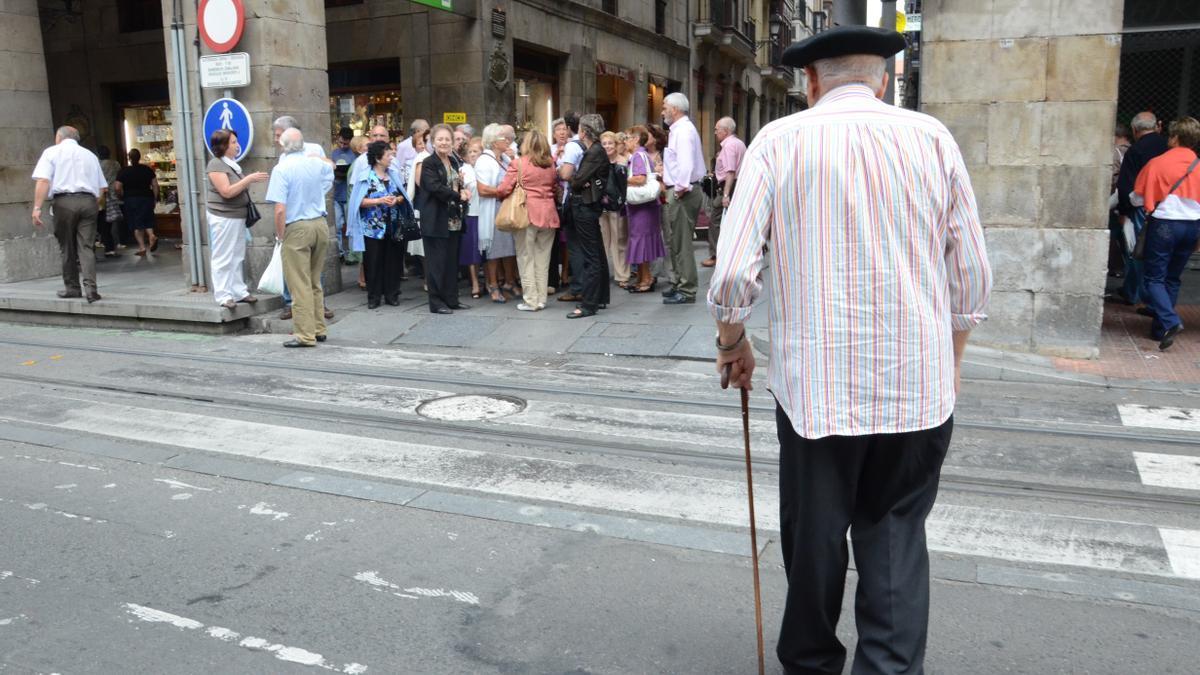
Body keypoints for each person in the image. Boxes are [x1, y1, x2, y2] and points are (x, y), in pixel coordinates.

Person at [709, 27, 992, 674]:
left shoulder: (780, 142)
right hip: (918, 394)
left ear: (811, 83)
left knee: (814, 542)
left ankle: (810, 661)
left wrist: (734, 342)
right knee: (893, 540)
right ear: (884, 79)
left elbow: (730, 273)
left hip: (817, 396)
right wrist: (949, 364)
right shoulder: (932, 139)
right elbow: (972, 275)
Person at [1132, 116, 1200, 351]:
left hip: (1164, 225)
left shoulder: (1158, 163)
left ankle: (1170, 322)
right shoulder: (1198, 165)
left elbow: (1137, 197)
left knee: (1153, 278)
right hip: (1192, 226)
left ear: (1175, 137)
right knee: (1172, 277)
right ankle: (1160, 329)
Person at [266, 128, 334, 348]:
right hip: (320, 224)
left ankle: (305, 334)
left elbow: (279, 209)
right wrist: (321, 157)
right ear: (303, 145)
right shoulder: (315, 163)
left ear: (283, 146)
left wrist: (280, 235)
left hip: (297, 226)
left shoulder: (281, 169)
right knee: (315, 280)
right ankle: (318, 328)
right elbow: (331, 167)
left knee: (299, 283)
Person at [30, 125, 107, 303]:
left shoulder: (51, 152)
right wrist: (94, 204)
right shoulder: (90, 155)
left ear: (59, 137)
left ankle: (72, 288)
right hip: (89, 201)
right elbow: (102, 187)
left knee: (67, 246)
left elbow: (43, 180)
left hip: (64, 202)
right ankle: (91, 290)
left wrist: (37, 207)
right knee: (86, 247)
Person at [496, 128, 560, 311]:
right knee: (542, 259)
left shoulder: (519, 164)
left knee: (525, 258)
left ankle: (530, 300)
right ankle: (541, 299)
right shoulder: (551, 163)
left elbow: (504, 189)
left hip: (525, 214)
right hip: (549, 214)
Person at [206, 129, 268, 309]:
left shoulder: (231, 164)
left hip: (236, 216)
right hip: (223, 216)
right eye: (233, 142)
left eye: (236, 141)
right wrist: (248, 179)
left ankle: (239, 291)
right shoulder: (216, 165)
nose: (237, 145)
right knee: (223, 256)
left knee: (236, 255)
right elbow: (227, 192)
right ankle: (224, 295)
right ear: (223, 146)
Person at [416, 124, 472, 314]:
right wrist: (458, 196)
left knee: (451, 262)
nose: (444, 142)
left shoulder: (454, 161)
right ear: (432, 142)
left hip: (453, 219)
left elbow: (455, 184)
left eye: (447, 139)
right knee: (436, 263)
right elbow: (434, 187)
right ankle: (436, 302)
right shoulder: (429, 163)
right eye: (440, 139)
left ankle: (452, 299)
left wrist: (463, 189)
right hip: (435, 219)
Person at [1116, 111, 1170, 306]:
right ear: (1157, 126)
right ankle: (1149, 293)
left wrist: (1123, 211)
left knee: (1136, 250)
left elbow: (1125, 185)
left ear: (1134, 129)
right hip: (1166, 206)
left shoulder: (1136, 150)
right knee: (1157, 253)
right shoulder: (1168, 147)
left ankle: (1135, 292)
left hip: (1141, 206)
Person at [349, 140, 410, 309]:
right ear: (377, 158)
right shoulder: (365, 177)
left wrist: (396, 200)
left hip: (393, 225)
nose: (391, 157)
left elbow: (401, 195)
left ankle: (392, 294)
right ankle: (374, 296)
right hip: (372, 228)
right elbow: (358, 201)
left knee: (393, 260)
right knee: (373, 261)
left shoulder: (393, 175)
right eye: (388, 154)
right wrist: (379, 200)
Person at [659, 92, 706, 305]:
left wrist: (679, 189)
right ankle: (680, 282)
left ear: (675, 109)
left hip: (683, 192)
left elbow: (685, 164)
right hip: (681, 190)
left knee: (682, 242)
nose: (662, 111)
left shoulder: (683, 131)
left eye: (664, 107)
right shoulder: (679, 130)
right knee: (676, 241)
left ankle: (687, 289)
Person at [565, 113, 611, 319]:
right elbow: (580, 179)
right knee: (597, 253)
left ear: (584, 131)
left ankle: (589, 304)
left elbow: (574, 180)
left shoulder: (594, 152)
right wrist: (580, 180)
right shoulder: (596, 150)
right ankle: (599, 297)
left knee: (591, 255)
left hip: (585, 207)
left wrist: (577, 179)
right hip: (588, 206)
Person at [476, 124, 519, 303]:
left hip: (506, 208)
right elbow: (483, 189)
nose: (507, 140)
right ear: (494, 142)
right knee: (493, 250)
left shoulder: (504, 158)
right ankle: (493, 284)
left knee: (509, 248)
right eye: (503, 138)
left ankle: (509, 281)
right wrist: (503, 191)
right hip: (494, 208)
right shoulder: (485, 160)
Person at [623, 125, 666, 293]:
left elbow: (640, 179)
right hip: (645, 207)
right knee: (641, 240)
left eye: (627, 138)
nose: (625, 141)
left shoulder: (638, 156)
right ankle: (642, 278)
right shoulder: (642, 154)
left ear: (635, 139)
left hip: (643, 207)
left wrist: (623, 179)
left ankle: (646, 279)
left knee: (641, 241)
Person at [704, 116, 746, 268]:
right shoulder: (739, 143)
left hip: (729, 186)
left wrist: (726, 194)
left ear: (726, 131)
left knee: (714, 221)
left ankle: (716, 255)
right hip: (737, 185)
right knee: (734, 220)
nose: (715, 132)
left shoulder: (728, 146)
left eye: (717, 129)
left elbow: (730, 171)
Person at [557, 111, 586, 302]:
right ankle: (583, 285)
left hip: (573, 199)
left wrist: (558, 168)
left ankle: (578, 287)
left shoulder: (572, 146)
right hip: (585, 199)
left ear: (568, 127)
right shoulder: (587, 144)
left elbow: (566, 174)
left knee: (574, 246)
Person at [599, 131, 631, 288]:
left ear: (616, 144)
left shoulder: (623, 161)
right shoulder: (598, 162)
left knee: (620, 240)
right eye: (604, 144)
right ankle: (602, 274)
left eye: (610, 143)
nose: (607, 146)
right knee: (603, 241)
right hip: (600, 206)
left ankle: (622, 274)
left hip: (618, 205)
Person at [115, 148, 159, 256]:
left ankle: (142, 247)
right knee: (148, 219)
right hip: (147, 197)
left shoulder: (123, 171)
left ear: (129, 158)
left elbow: (117, 187)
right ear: (139, 157)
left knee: (136, 223)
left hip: (131, 199)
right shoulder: (147, 169)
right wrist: (155, 197)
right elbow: (155, 185)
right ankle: (151, 235)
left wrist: (121, 196)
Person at [460, 137, 485, 299]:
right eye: (470, 152)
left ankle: (490, 281)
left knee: (486, 251)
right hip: (471, 214)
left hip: (486, 213)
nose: (473, 154)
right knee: (472, 251)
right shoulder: (464, 170)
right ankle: (475, 283)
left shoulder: (486, 167)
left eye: (477, 151)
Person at [331, 127, 356, 262]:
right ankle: (340, 252)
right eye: (340, 142)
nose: (342, 146)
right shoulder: (334, 153)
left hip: (348, 195)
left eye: (345, 143)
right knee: (338, 225)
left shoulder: (354, 154)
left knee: (350, 226)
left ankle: (352, 254)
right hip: (336, 194)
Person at [96, 146, 122, 257]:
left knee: (101, 221)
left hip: (101, 196)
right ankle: (113, 244)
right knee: (111, 220)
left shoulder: (98, 165)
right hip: (113, 193)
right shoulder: (116, 164)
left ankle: (104, 242)